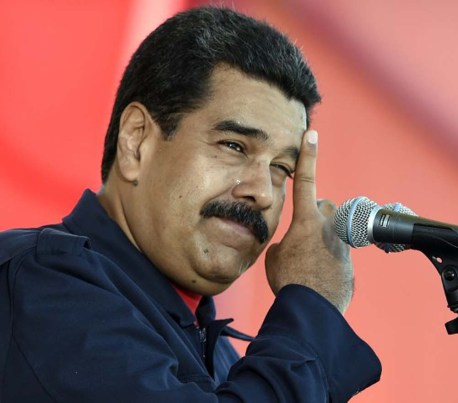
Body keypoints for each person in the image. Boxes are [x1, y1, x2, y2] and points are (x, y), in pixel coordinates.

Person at [0, 6, 381, 402]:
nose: (263, 194)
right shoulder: (42, 286)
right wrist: (312, 305)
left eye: (281, 169)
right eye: (234, 146)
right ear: (137, 140)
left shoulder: (227, 364)